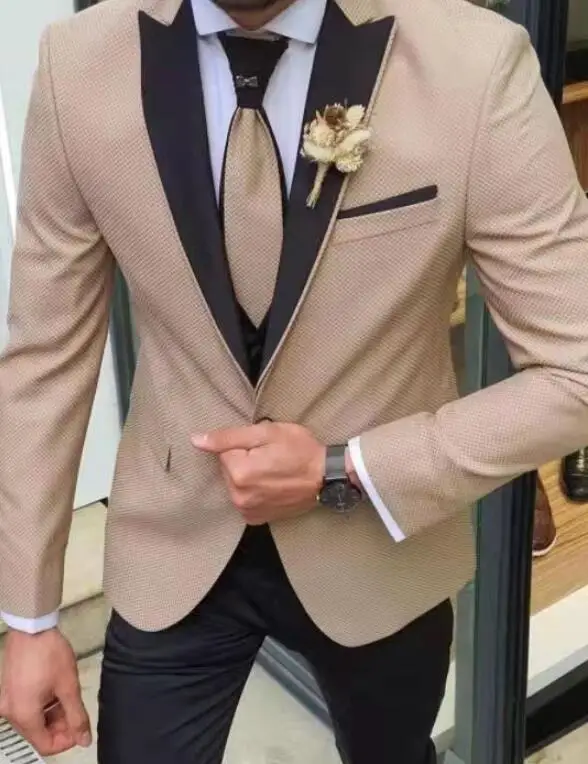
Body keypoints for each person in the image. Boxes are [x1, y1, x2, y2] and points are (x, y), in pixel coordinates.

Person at [1, 0, 588, 761]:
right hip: (174, 539)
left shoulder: (472, 64)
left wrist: (349, 468)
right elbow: (44, 357)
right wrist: (28, 619)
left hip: (378, 547)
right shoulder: (78, 66)